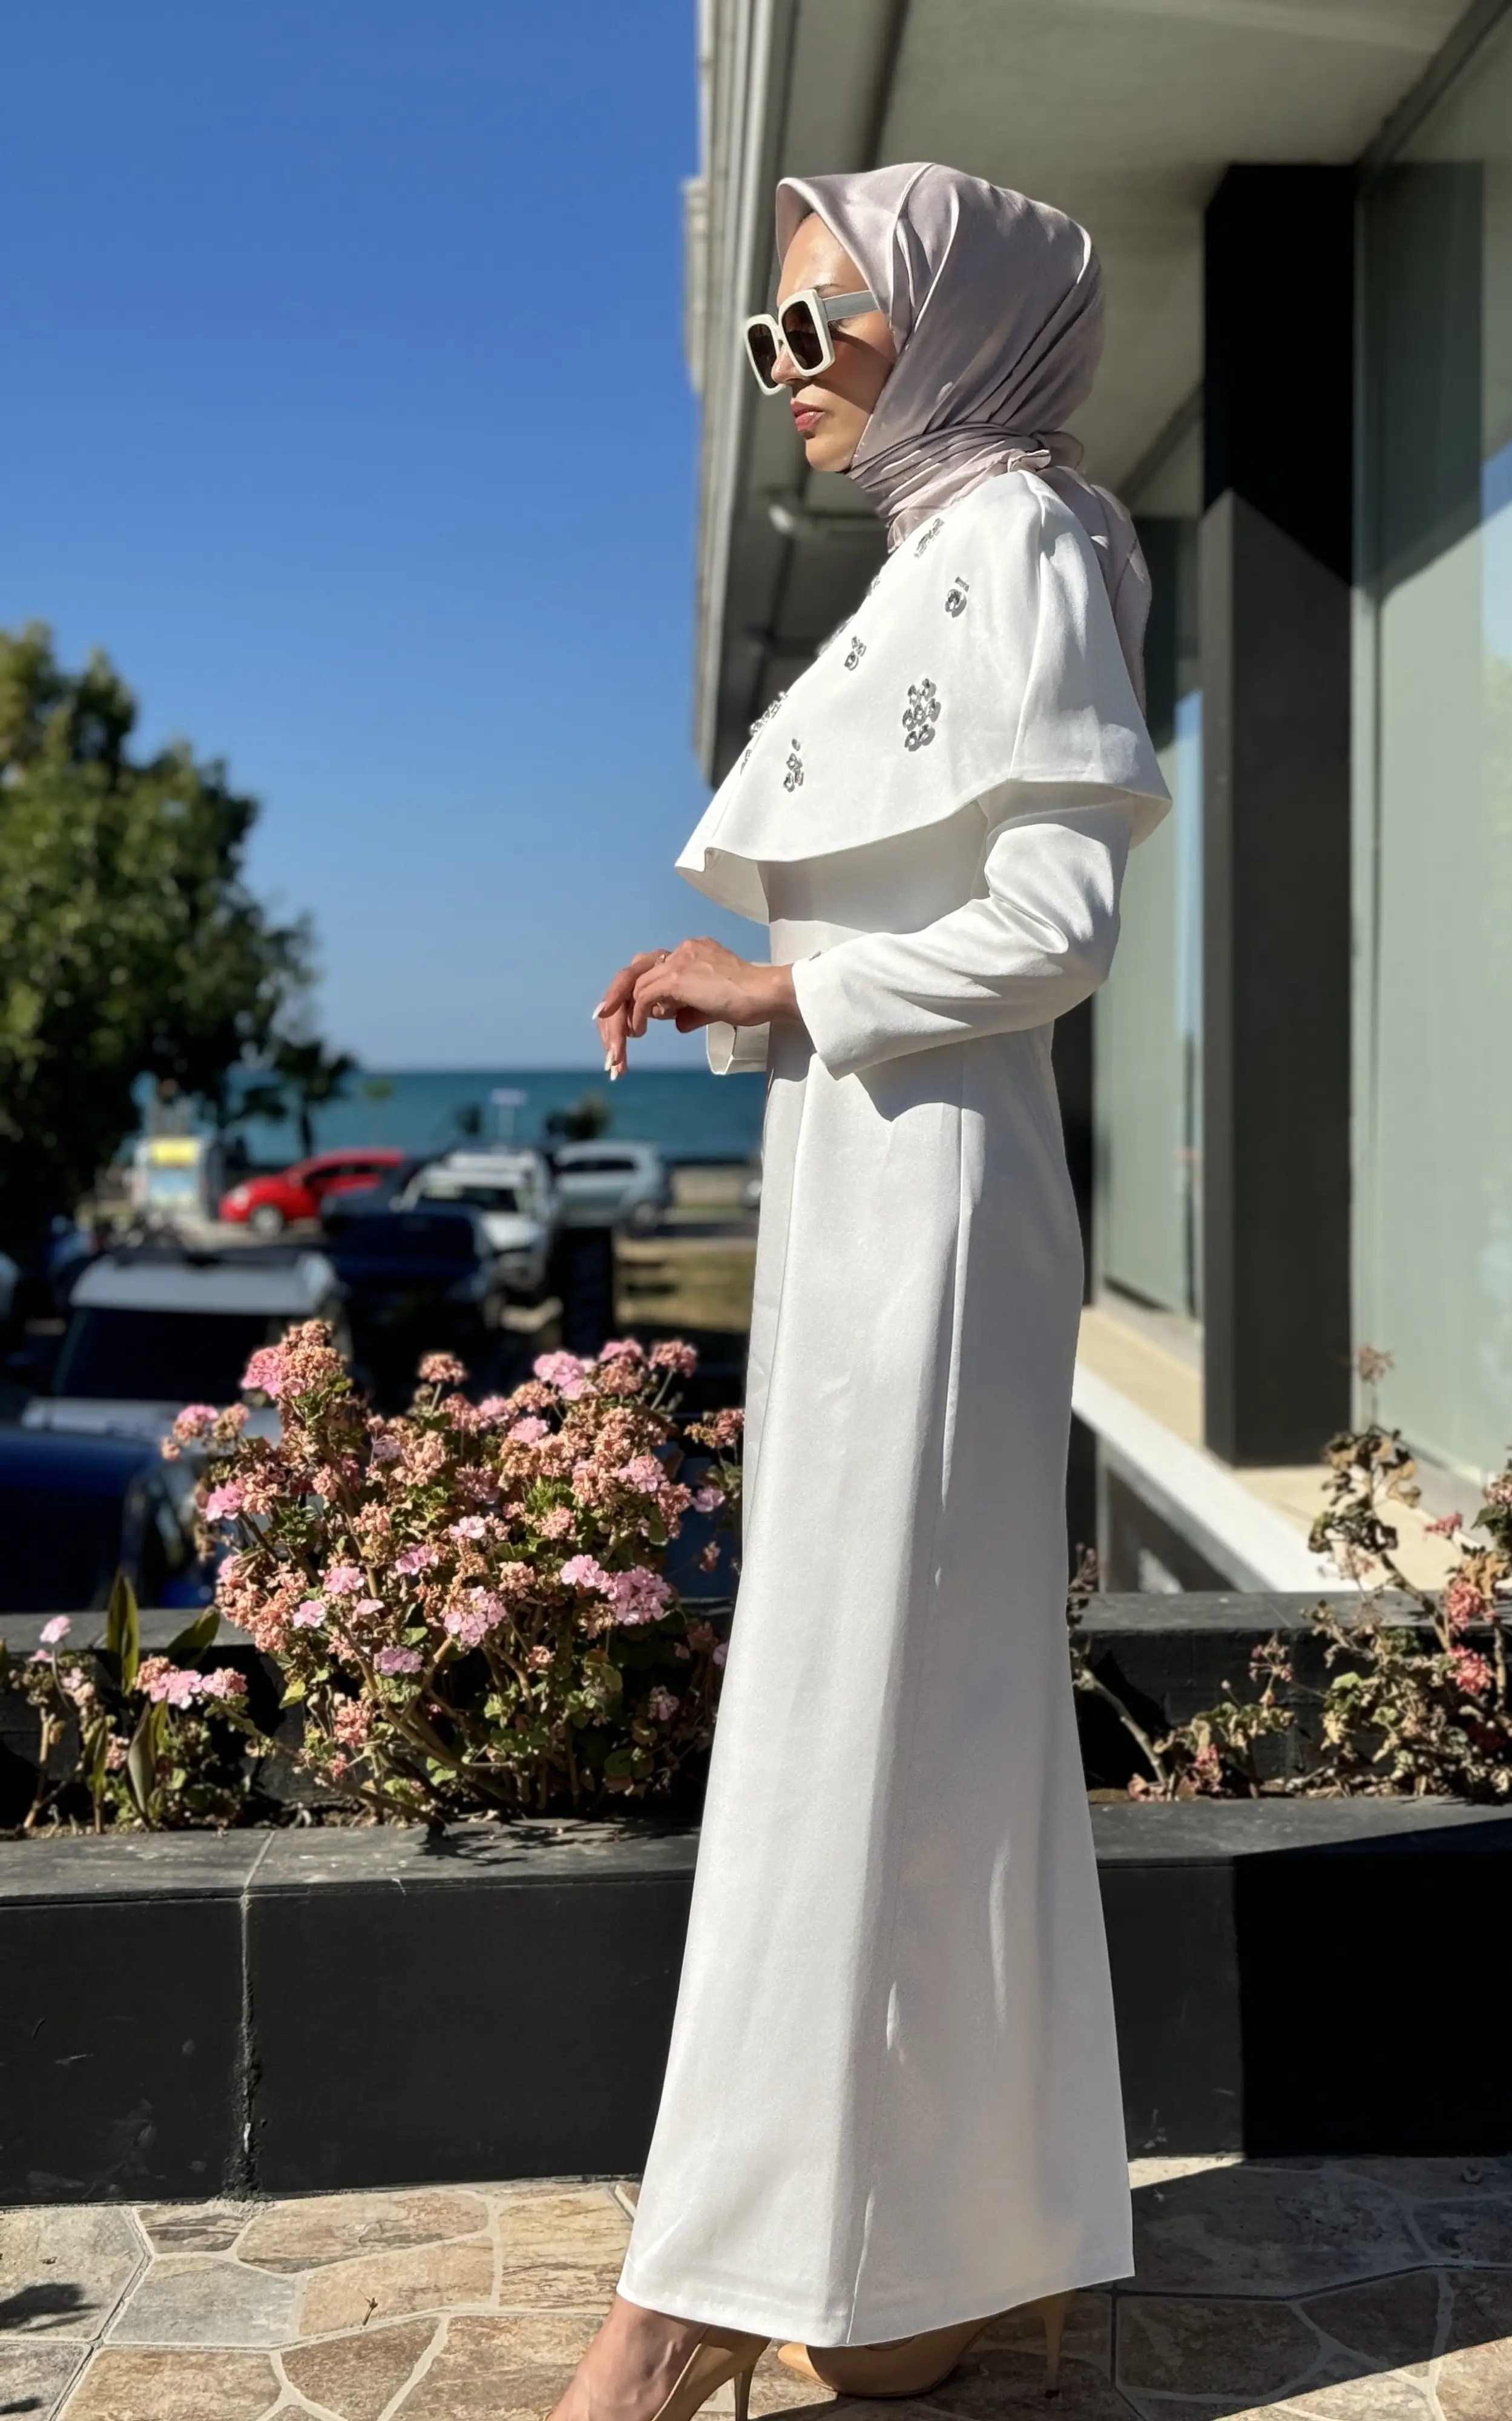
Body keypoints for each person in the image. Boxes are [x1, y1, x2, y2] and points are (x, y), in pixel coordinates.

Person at [551, 162, 1170, 2421]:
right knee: (911, 1723)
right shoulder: (936, 554)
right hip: (867, 1185)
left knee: (853, 1721)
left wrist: (786, 987)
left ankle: (685, 2304)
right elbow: (919, 932)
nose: (784, 372)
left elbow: (1061, 925)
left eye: (819, 325)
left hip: (939, 1212)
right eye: (765, 336)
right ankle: (933, 2269)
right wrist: (758, 999)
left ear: (960, 322)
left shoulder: (1021, 535)